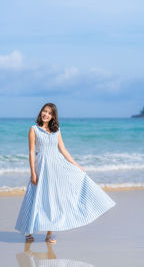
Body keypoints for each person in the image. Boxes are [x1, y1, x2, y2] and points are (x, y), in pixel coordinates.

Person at [15, 103, 116, 244]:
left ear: (53, 116)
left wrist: (76, 165)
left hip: (56, 168)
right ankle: (28, 232)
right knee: (35, 197)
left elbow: (63, 150)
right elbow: (31, 152)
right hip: (41, 168)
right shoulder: (33, 130)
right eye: (44, 111)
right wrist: (33, 172)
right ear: (41, 112)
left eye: (49, 113)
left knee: (52, 200)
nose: (46, 114)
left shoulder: (56, 130)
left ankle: (49, 233)